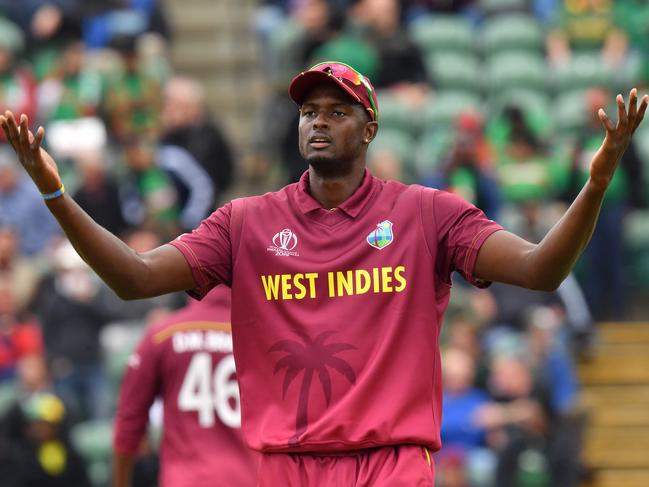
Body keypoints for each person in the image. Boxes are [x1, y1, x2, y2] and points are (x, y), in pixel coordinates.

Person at [0, 60, 646, 486]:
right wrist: (58, 196)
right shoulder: (246, 222)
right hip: (285, 465)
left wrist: (593, 185)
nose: (317, 121)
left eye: (336, 111)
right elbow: (135, 278)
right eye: (309, 110)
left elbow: (537, 268)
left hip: (390, 461)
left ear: (368, 129)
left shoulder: (425, 214)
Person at [113, 285, 257, 487]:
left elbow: (128, 424)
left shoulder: (162, 334)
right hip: (248, 478)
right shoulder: (260, 337)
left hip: (184, 479)